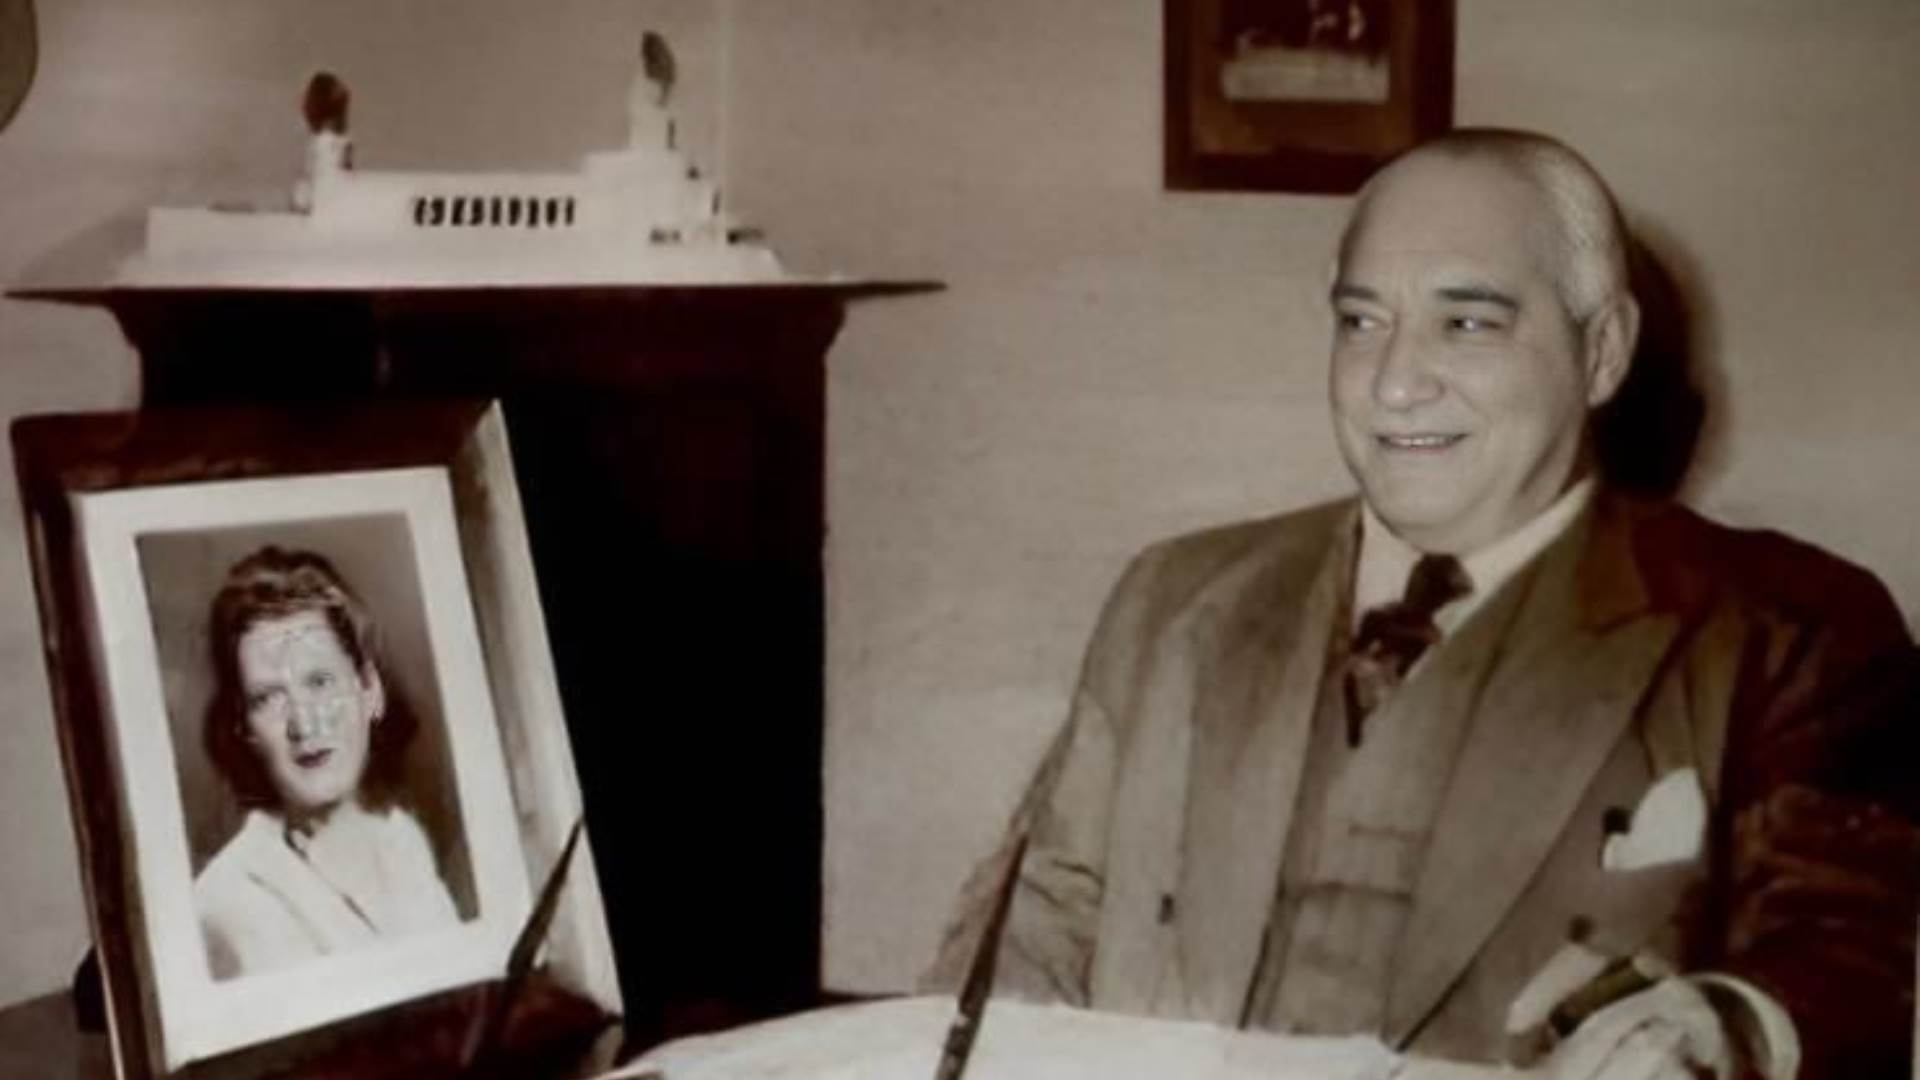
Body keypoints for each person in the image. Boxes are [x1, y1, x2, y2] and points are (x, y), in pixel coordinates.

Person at [929, 129, 1917, 1078]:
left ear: (1604, 351)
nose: (1394, 383)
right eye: (1362, 323)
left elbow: (1856, 955)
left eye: (1468, 323)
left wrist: (1730, 1025)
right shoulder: (1173, 599)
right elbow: (1030, 940)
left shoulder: (1787, 631)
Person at [194, 546, 461, 981]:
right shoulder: (225, 902)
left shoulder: (400, 839)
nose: (304, 722)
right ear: (244, 728)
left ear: (370, 691)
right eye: (267, 698)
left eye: (319, 682)